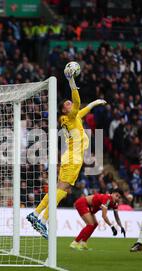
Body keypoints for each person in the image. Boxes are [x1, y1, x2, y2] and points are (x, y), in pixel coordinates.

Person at [26, 64, 107, 239]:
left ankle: (36, 214)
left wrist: (94, 103)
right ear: (65, 109)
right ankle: (43, 220)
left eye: (70, 103)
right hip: (73, 159)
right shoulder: (69, 117)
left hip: (69, 157)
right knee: (61, 191)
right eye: (68, 104)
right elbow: (78, 103)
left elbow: (82, 110)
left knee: (58, 189)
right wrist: (71, 82)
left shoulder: (72, 117)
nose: (72, 104)